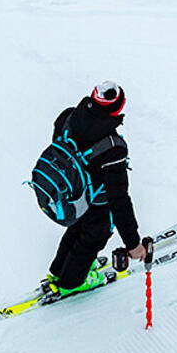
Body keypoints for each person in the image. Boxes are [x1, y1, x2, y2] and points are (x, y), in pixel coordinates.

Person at [46, 81, 146, 297]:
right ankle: (71, 282)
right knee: (93, 236)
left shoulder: (68, 117)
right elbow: (119, 200)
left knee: (76, 228)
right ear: (119, 108)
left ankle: (57, 271)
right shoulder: (113, 148)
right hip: (97, 200)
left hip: (72, 194)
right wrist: (133, 243)